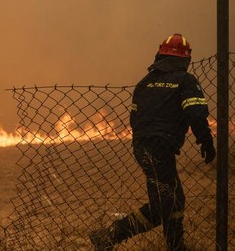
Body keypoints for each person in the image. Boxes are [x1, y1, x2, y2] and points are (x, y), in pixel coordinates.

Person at [90, 33, 216, 251]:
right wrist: (205, 141)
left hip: (143, 147)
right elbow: (195, 114)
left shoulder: (144, 83)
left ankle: (176, 247)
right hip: (161, 149)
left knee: (175, 199)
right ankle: (110, 235)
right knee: (162, 206)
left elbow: (134, 119)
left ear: (160, 55)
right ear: (186, 59)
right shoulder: (186, 81)